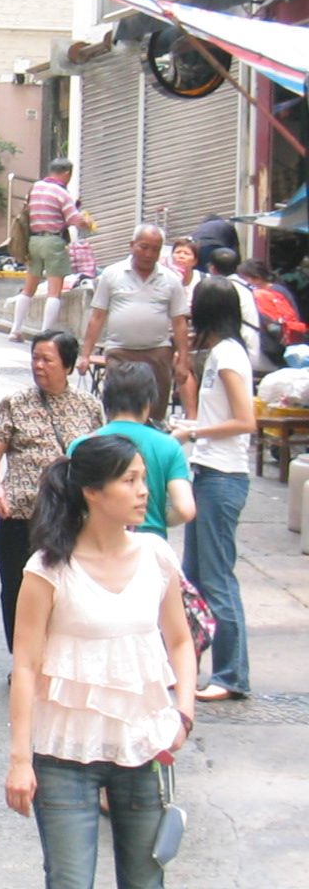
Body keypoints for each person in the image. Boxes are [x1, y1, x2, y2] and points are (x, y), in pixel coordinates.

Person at [6, 434, 196, 889]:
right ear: (92, 491)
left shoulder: (155, 555)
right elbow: (25, 665)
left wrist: (182, 712)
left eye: (143, 478)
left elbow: (181, 640)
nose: (143, 491)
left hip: (144, 748)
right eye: (129, 480)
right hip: (62, 755)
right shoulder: (48, 569)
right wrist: (19, 760)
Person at [0, 330, 104, 651]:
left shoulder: (88, 407)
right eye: (34, 358)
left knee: (68, 591)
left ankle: (60, 656)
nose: (38, 366)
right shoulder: (15, 403)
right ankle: (23, 658)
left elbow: (100, 461)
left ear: (67, 365)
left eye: (46, 360)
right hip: (19, 518)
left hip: (69, 520)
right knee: (16, 590)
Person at [173, 277, 257, 701]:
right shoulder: (222, 353)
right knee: (194, 577)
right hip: (207, 471)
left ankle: (231, 675)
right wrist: (192, 429)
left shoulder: (227, 354)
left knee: (217, 579)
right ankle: (189, 666)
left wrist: (194, 432)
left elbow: (245, 420)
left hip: (222, 477)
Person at [77, 224, 191, 418]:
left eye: (155, 249)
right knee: (118, 411)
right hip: (120, 352)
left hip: (158, 353)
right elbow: (97, 317)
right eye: (144, 247)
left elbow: (180, 323)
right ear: (132, 245)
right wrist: (85, 355)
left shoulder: (171, 280)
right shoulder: (112, 274)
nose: (148, 254)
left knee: (154, 414)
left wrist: (183, 361)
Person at [70, 361, 195, 539]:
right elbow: (185, 510)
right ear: (148, 401)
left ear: (106, 399)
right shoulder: (169, 446)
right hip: (150, 544)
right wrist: (158, 519)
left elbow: (71, 504)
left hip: (96, 541)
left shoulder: (82, 445)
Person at [11, 159, 91, 341]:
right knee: (54, 291)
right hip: (53, 242)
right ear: (66, 174)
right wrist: (86, 222)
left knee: (28, 288)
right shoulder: (62, 193)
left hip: (33, 241)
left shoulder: (35, 187)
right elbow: (73, 219)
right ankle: (45, 333)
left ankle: (15, 330)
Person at [208, 248, 273, 375]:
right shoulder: (248, 287)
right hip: (266, 355)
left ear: (212, 268)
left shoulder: (222, 289)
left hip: (245, 358)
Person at [238, 258, 306, 344]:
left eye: (243, 278)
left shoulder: (273, 292)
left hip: (280, 341)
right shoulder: (278, 289)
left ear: (257, 278)